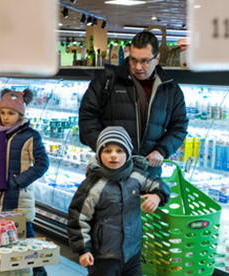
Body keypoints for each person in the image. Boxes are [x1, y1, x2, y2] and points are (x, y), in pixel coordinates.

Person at [67, 126, 170, 276]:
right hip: (103, 256)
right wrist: (82, 250)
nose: (113, 156)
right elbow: (78, 219)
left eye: (119, 150)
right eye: (107, 150)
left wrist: (157, 197)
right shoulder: (93, 185)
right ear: (99, 154)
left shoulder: (137, 176)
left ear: (128, 153)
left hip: (131, 255)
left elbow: (161, 185)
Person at [79, 31, 188, 178]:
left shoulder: (170, 89)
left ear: (157, 58)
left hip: (148, 174)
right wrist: (105, 149)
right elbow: (87, 117)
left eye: (144, 61)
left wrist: (162, 150)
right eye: (133, 60)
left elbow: (179, 126)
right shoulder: (107, 80)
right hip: (110, 172)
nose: (137, 67)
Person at [0, 89, 50, 276]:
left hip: (19, 196)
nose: (6, 118)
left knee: (25, 234)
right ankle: (1, 268)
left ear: (20, 114)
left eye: (11, 113)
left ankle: (39, 269)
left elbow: (42, 164)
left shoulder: (31, 136)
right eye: (3, 113)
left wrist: (19, 181)